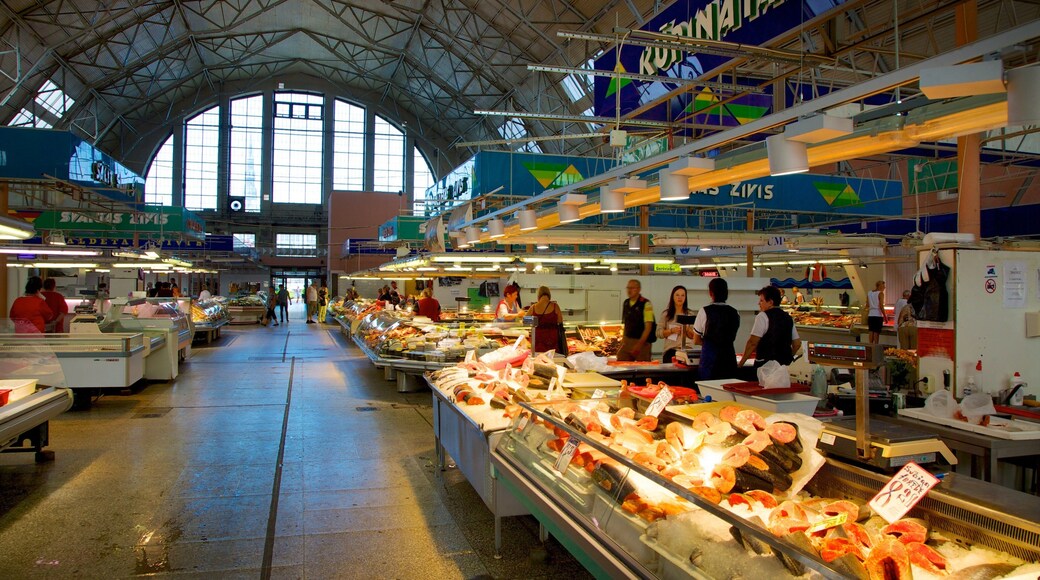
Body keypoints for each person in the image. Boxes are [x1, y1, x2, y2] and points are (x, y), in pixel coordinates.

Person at [739, 286, 801, 369]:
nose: (759, 303)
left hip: (765, 365)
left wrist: (740, 364)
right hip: (784, 366)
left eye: (761, 300)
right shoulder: (788, 317)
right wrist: (788, 357)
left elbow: (752, 343)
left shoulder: (762, 316)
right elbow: (797, 344)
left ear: (770, 302)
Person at [693, 278, 741, 380]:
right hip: (729, 359)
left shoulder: (704, 311)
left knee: (708, 392)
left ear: (711, 293)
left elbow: (696, 340)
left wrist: (709, 343)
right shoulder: (735, 312)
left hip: (709, 361)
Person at [657, 285, 695, 363]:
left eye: (683, 295)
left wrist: (687, 329)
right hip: (671, 350)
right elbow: (658, 333)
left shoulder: (690, 314)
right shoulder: (666, 314)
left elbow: (694, 336)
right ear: (673, 297)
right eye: (677, 295)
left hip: (687, 350)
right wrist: (671, 331)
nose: (680, 298)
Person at [618, 279, 654, 362]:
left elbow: (648, 327)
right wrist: (622, 341)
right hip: (627, 341)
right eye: (628, 288)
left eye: (632, 288)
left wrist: (639, 344)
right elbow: (625, 324)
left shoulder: (646, 304)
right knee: (620, 364)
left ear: (638, 289)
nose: (629, 290)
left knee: (643, 369)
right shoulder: (626, 303)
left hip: (642, 343)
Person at [529, 286, 563, 354]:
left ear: (539, 295)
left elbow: (525, 321)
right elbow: (560, 321)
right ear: (549, 294)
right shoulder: (555, 306)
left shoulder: (534, 307)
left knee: (539, 358)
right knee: (553, 358)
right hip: (552, 339)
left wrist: (535, 320)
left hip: (538, 339)